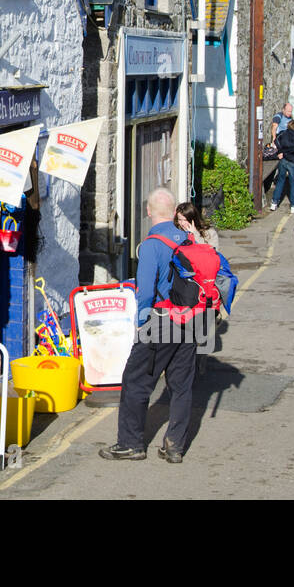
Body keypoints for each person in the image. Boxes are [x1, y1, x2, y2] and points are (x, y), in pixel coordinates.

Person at [99, 188, 197, 464]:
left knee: (136, 381)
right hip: (189, 321)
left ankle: (131, 444)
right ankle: (175, 446)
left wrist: (140, 323)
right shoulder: (188, 239)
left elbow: (145, 291)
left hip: (161, 321)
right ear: (175, 211)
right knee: (181, 386)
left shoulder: (153, 243)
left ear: (149, 211)